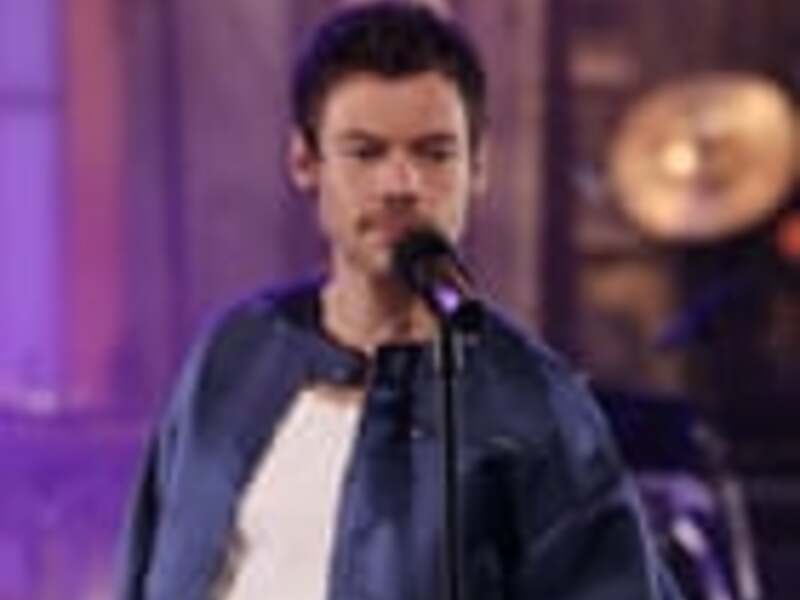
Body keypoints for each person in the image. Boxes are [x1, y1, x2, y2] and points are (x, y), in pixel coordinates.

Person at [116, 4, 683, 599]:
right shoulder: (236, 355)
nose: (401, 185)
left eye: (434, 154)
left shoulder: (530, 403)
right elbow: (147, 564)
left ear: (478, 167)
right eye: (366, 153)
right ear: (305, 162)